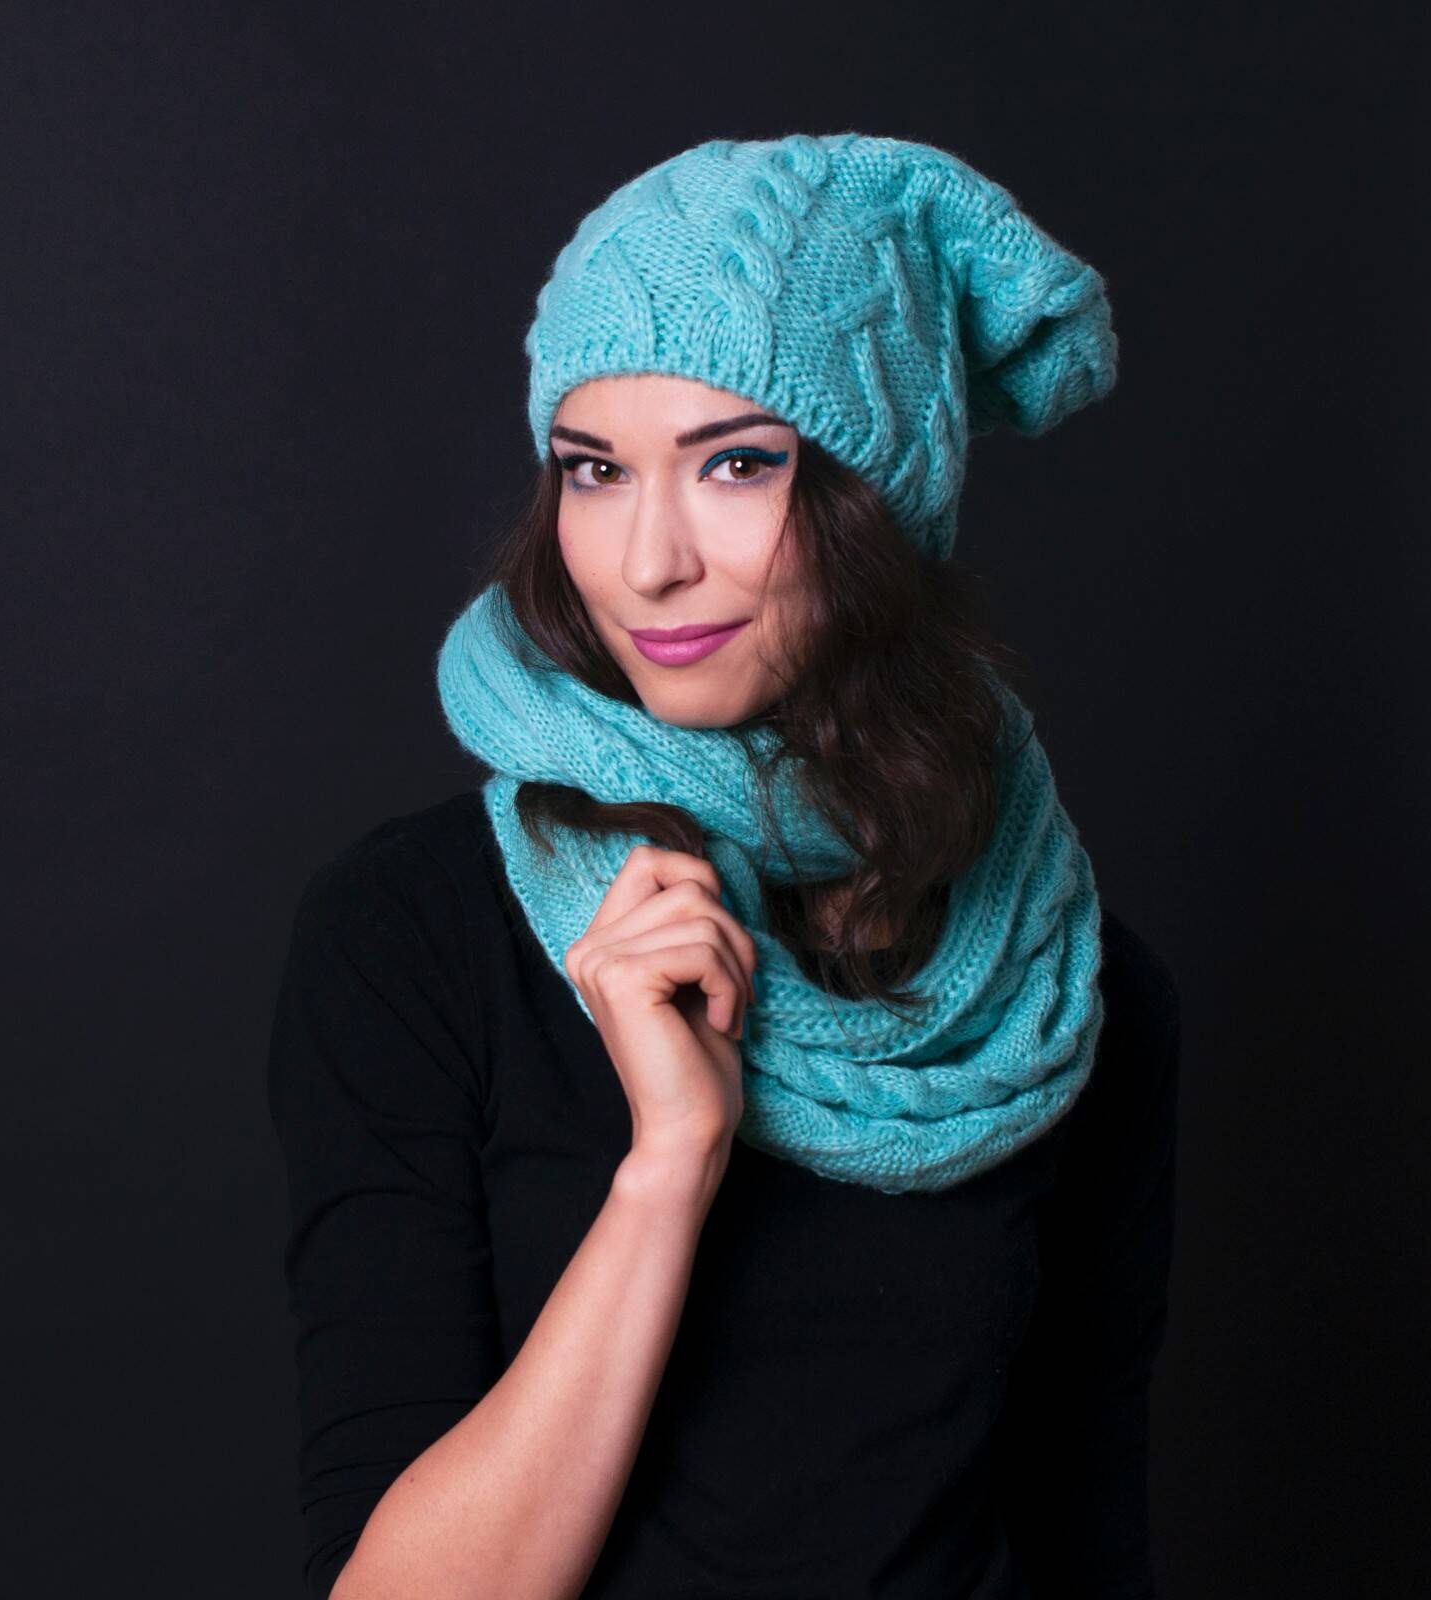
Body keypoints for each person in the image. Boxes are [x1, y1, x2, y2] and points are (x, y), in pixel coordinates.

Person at [266, 131, 1181, 1599]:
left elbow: (1087, 1536)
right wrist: (669, 1168)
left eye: (737, 464)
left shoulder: (1059, 984)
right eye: (595, 471)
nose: (649, 563)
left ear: (885, 496)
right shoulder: (412, 936)